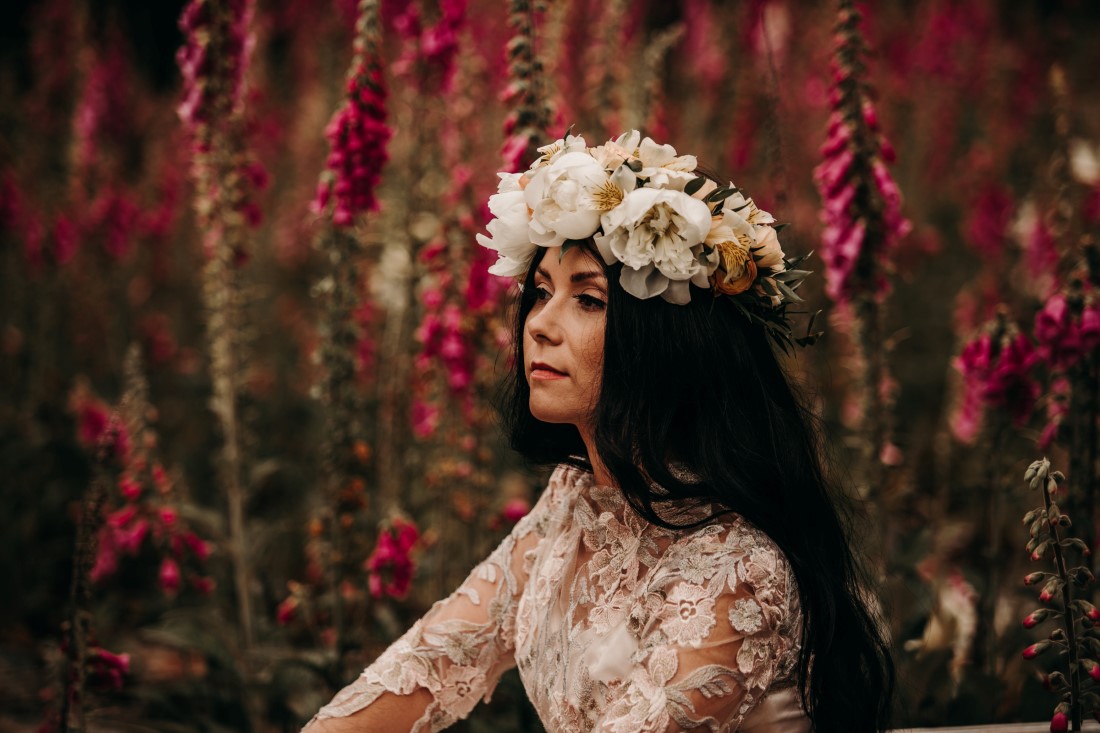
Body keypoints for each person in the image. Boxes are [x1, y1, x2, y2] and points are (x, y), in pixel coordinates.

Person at [303, 131, 894, 733]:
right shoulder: (576, 500)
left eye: (588, 299)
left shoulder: (736, 569)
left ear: (667, 343)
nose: (539, 325)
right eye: (540, 293)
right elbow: (432, 664)